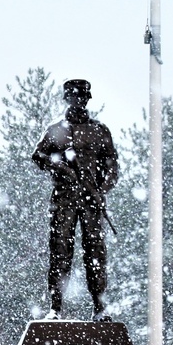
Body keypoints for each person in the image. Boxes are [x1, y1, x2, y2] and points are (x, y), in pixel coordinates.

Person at [32, 79, 120, 322]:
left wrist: (101, 189)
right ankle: (56, 307)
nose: (78, 101)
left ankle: (100, 307)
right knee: (60, 252)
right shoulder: (55, 130)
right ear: (67, 99)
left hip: (91, 201)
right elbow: (38, 155)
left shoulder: (100, 131)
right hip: (64, 198)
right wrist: (57, 164)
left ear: (87, 99)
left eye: (82, 96)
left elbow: (112, 166)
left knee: (95, 254)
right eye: (73, 96)